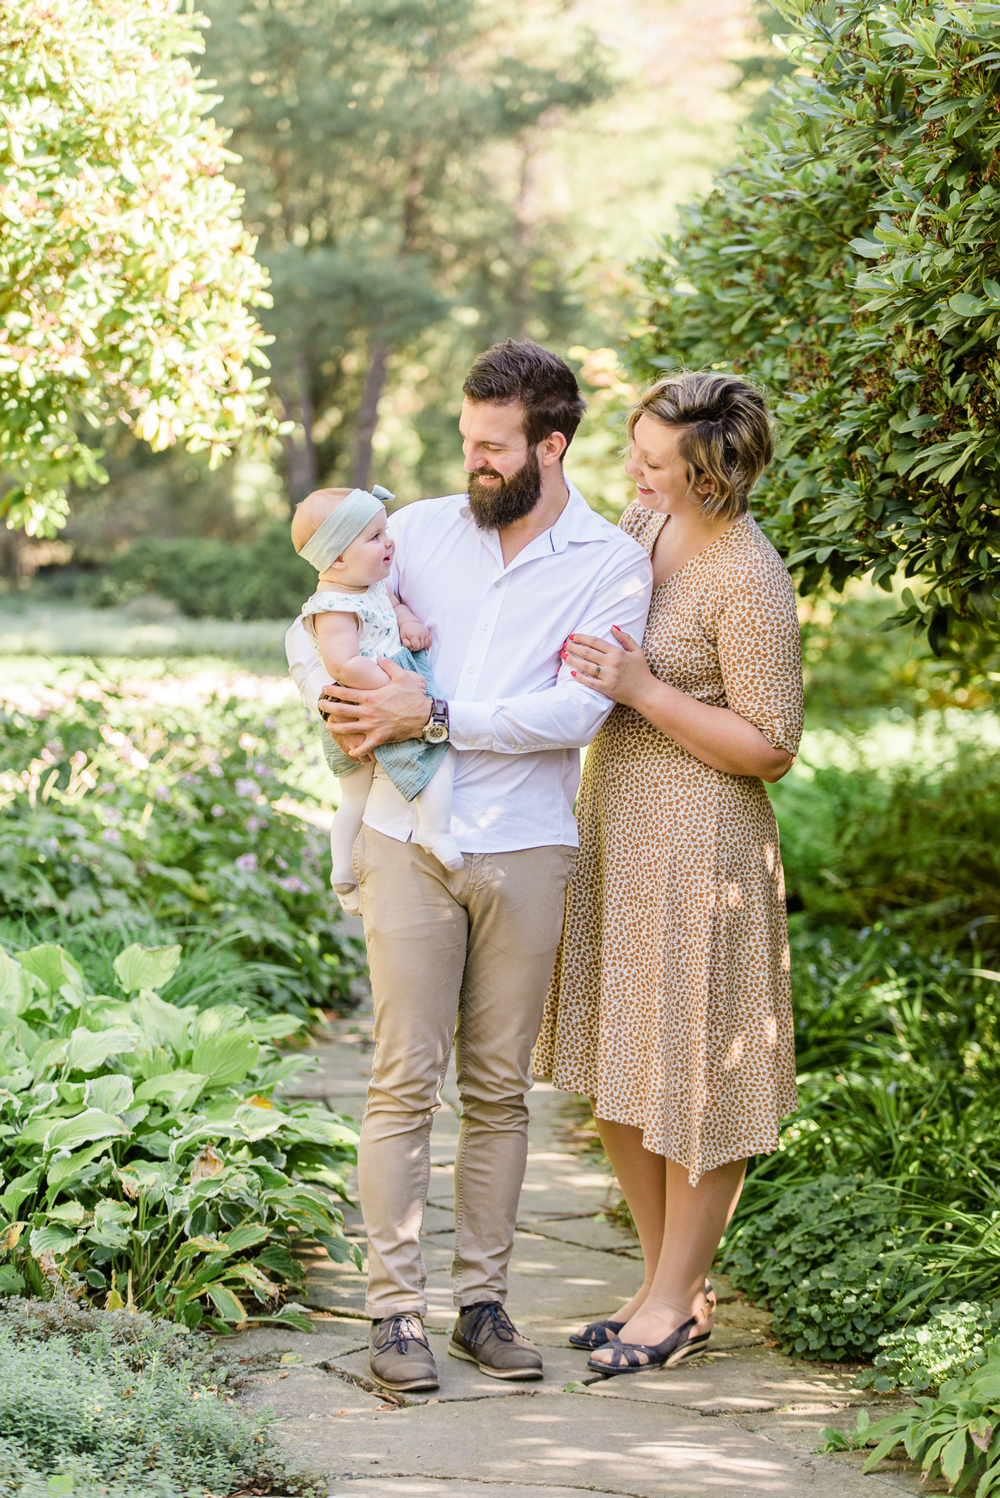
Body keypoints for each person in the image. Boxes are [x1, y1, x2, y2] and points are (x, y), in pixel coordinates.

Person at [284, 339, 653, 1393]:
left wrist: (437, 711)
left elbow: (577, 711)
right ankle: (392, 1314)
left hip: (530, 845)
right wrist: (343, 698)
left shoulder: (607, 561)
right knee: (403, 1080)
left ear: (551, 442)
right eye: (464, 441)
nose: (473, 463)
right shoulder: (417, 534)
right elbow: (326, 625)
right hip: (407, 839)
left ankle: (481, 1305)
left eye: (492, 447)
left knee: (498, 1091)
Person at [533, 370, 803, 1376]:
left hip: (703, 844)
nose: (632, 473)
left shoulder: (747, 573)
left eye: (651, 462)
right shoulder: (645, 534)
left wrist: (641, 688)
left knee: (696, 1076)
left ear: (706, 475)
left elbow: (772, 744)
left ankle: (674, 1300)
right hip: (619, 826)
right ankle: (664, 1288)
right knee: (619, 1071)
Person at [290, 483, 461, 913]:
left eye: (386, 531)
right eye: (376, 537)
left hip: (385, 688)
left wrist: (407, 622)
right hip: (365, 704)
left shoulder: (369, 584)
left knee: (363, 794)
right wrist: (394, 688)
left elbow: (394, 604)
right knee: (434, 755)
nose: (391, 542)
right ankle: (426, 831)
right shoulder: (331, 607)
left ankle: (351, 872)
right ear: (338, 558)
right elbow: (343, 664)